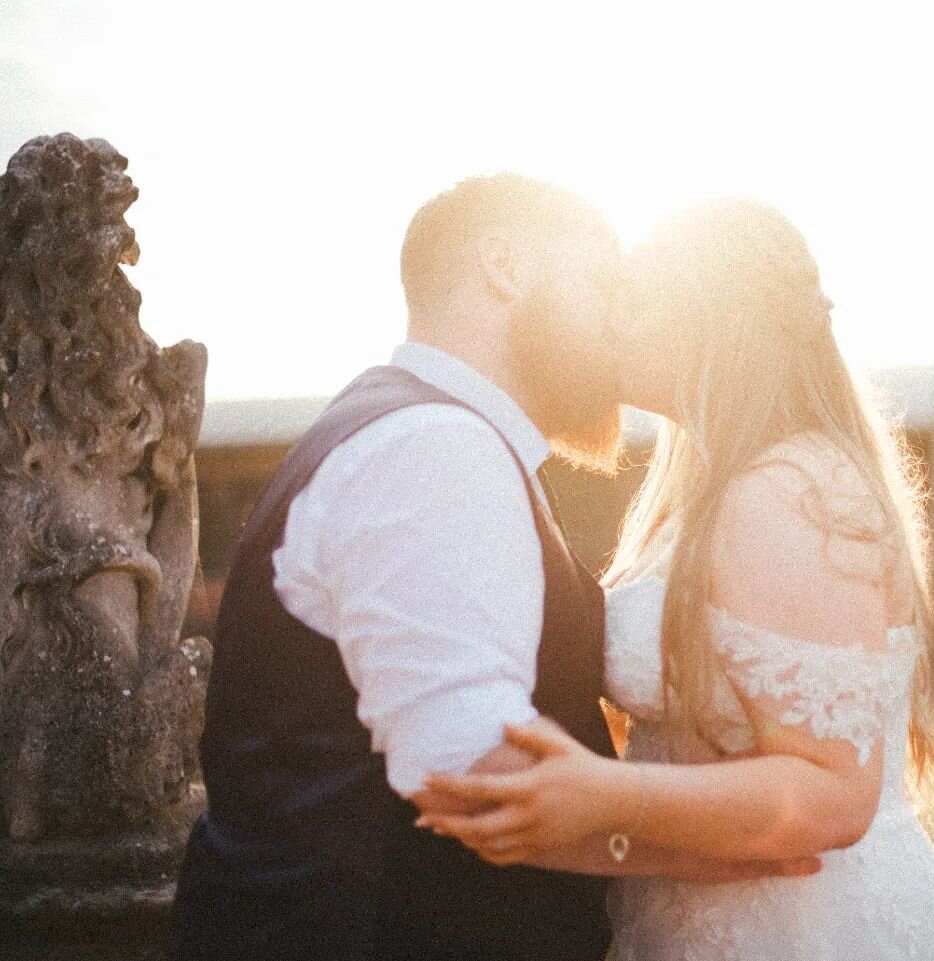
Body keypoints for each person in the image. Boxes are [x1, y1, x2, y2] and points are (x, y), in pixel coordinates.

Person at [168, 175, 804, 961]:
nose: (619, 319)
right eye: (600, 281)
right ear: (503, 263)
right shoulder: (436, 448)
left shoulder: (421, 431)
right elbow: (473, 772)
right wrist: (721, 856)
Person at [416, 198, 934, 961]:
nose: (610, 323)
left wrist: (603, 797)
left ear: (708, 316)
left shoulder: (789, 490)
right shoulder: (702, 487)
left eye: (631, 301)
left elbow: (833, 794)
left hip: (810, 930)